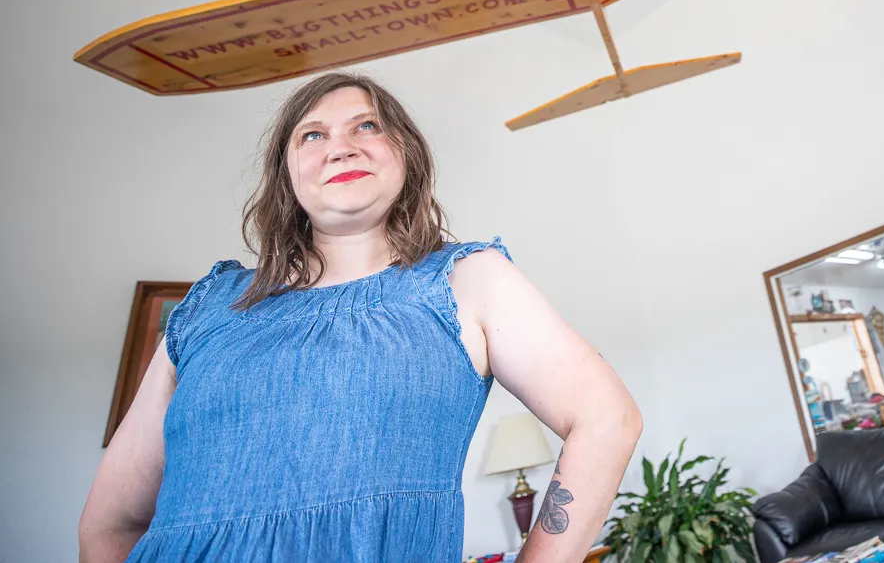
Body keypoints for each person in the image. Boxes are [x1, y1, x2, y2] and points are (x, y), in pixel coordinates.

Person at [78, 72, 643, 562]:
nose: (341, 147)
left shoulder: (468, 280)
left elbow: (606, 418)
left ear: (407, 154)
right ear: (287, 175)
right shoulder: (208, 306)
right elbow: (111, 523)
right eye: (313, 134)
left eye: (366, 126)